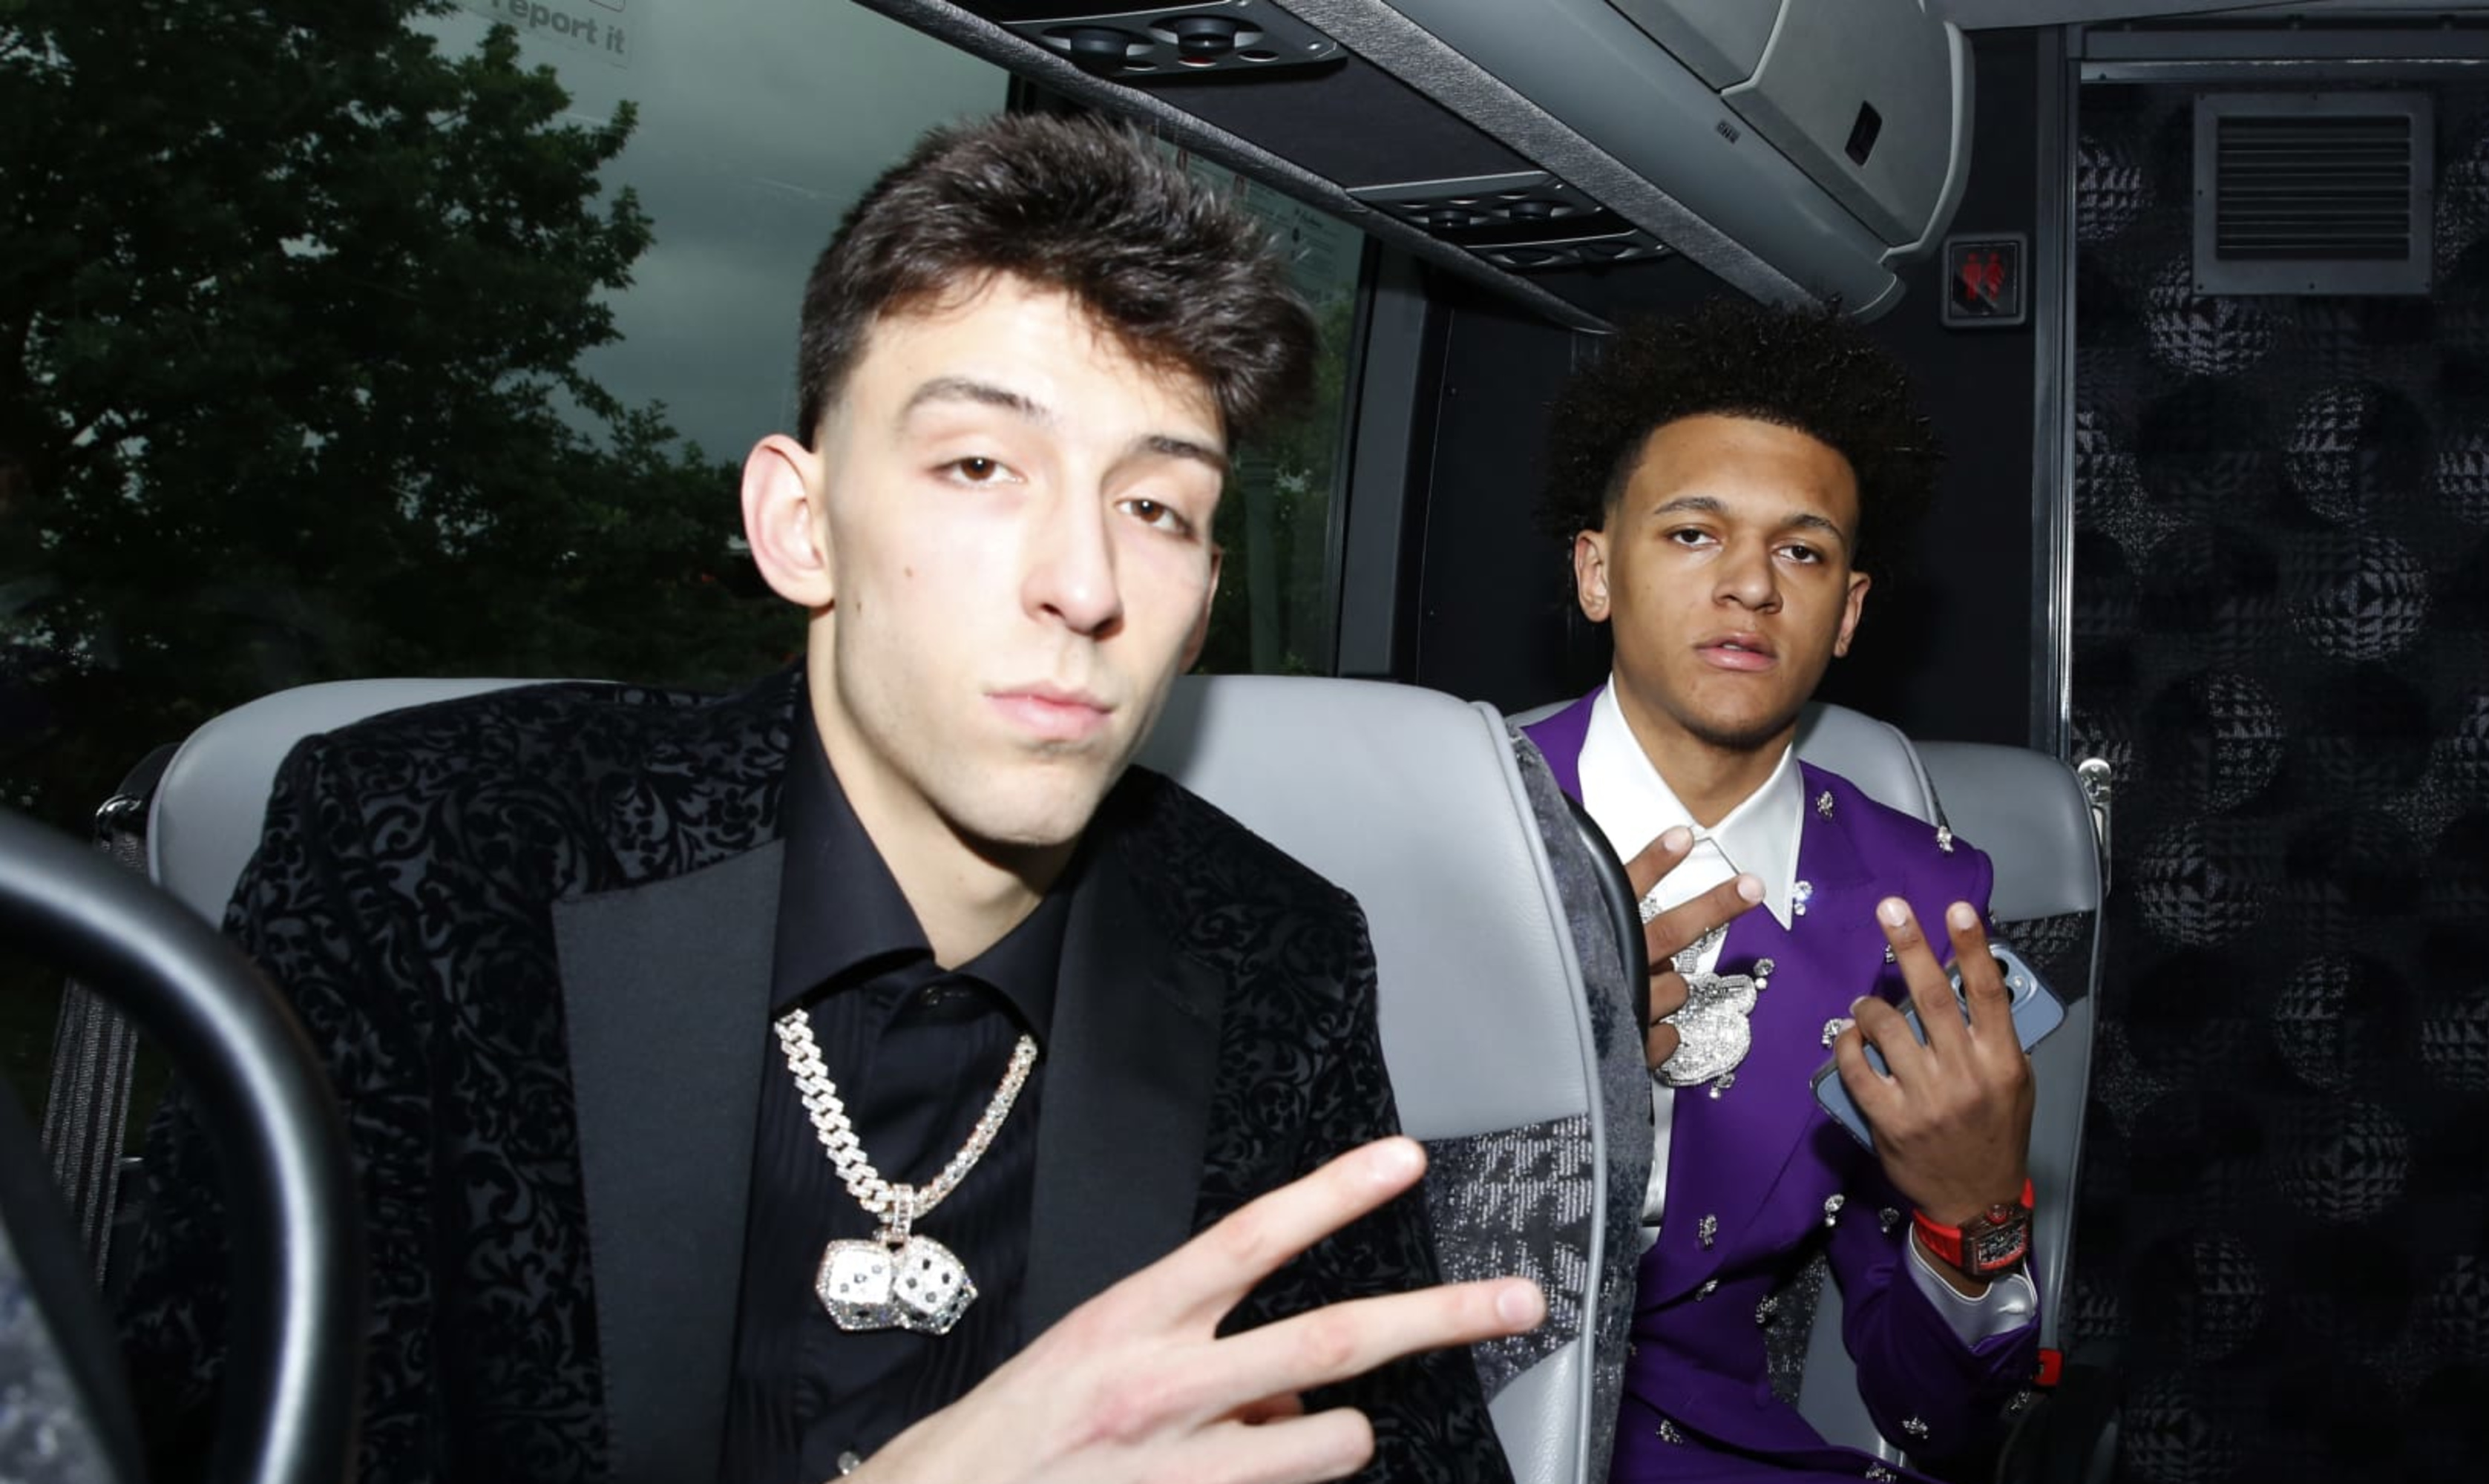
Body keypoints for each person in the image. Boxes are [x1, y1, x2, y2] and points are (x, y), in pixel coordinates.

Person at [118, 114, 1536, 1484]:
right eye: (981, 466)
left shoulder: (1275, 951)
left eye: (1156, 507)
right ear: (801, 527)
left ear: (1207, 594)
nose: (1088, 585)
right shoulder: (423, 855)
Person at [1516, 301, 2042, 1481]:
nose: (1752, 585)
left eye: (1802, 552)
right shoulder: (1443, 826)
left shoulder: (1920, 903)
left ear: (1848, 611)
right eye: (1695, 534)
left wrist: (1977, 1217)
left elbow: (1938, 1419)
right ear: (1596, 572)